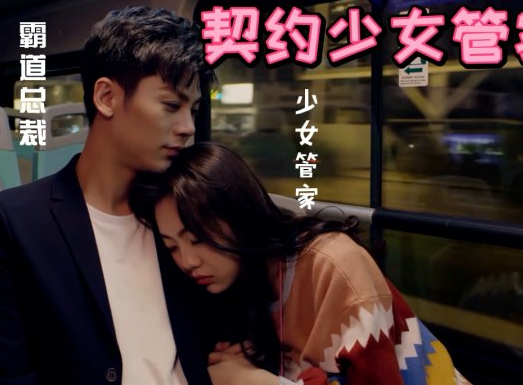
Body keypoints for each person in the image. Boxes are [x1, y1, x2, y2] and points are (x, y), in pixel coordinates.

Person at [0, 6, 216, 385]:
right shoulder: (15, 224)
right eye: (171, 105)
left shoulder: (183, 212)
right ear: (107, 97)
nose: (187, 127)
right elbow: (6, 376)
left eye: (193, 110)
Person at [131, 142, 471, 385]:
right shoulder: (235, 285)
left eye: (197, 239)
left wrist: (258, 382)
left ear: (238, 215)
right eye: (171, 246)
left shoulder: (334, 265)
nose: (187, 261)